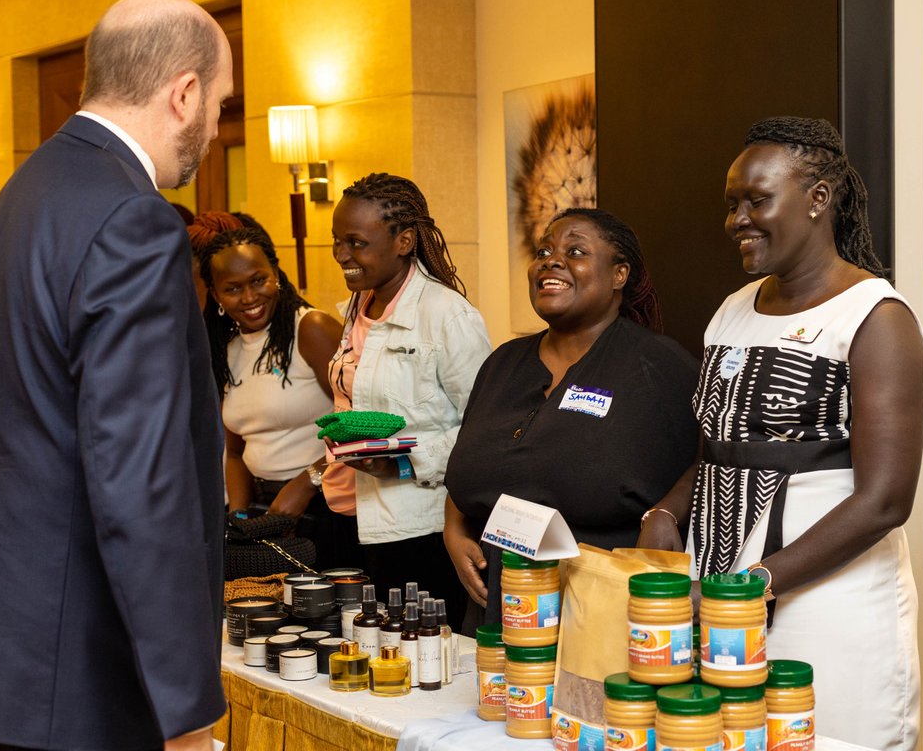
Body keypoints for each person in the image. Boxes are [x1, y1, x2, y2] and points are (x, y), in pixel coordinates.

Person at [0, 0, 233, 751]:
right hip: (94, 665)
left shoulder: (25, 191)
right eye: (219, 104)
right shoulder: (130, 217)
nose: (213, 130)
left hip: (20, 640)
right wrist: (184, 709)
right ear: (183, 92)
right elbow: (140, 474)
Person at [638, 117, 923, 750]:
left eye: (756, 201)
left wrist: (759, 583)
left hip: (825, 600)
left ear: (818, 199)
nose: (737, 219)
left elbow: (886, 499)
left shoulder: (876, 317)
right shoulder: (734, 308)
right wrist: (667, 510)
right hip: (720, 589)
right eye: (731, 204)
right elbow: (722, 448)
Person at [444, 208, 698, 629]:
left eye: (575, 251)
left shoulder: (658, 366)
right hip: (498, 603)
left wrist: (665, 513)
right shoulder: (502, 364)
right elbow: (473, 464)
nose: (551, 260)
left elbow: (712, 460)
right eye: (543, 250)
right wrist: (454, 532)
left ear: (619, 275)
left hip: (600, 613)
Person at [326, 172, 491, 629]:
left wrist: (401, 463)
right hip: (345, 514)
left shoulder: (447, 316)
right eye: (337, 241)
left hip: (417, 527)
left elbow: (483, 429)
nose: (342, 255)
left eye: (356, 242)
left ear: (404, 241)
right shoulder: (355, 309)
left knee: (415, 657)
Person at [199, 224, 352, 570]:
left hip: (323, 504)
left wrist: (309, 481)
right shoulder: (226, 348)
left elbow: (361, 421)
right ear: (216, 295)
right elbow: (235, 449)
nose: (250, 298)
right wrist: (239, 514)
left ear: (276, 274)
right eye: (233, 289)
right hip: (267, 510)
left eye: (258, 280)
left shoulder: (310, 328)